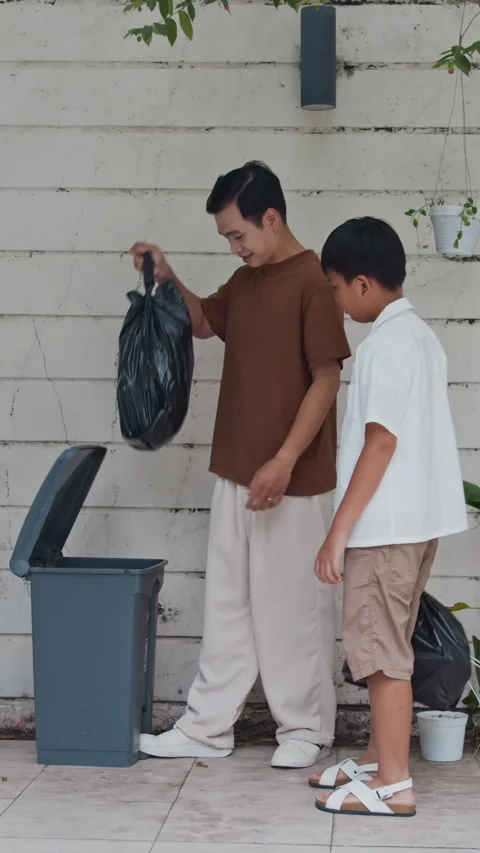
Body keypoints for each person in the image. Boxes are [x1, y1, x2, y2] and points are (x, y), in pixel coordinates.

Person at [131, 161, 351, 768]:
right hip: (236, 469)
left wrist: (284, 460)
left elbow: (327, 379)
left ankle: (305, 729)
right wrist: (168, 276)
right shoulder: (246, 281)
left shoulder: (313, 283)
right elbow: (203, 323)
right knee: (228, 605)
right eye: (228, 237)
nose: (234, 246)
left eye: (238, 234)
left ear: (271, 218)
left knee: (294, 607)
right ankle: (207, 727)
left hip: (294, 480)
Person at [310, 217, 468, 815]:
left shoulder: (382, 346)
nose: (335, 300)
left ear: (362, 283)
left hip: (384, 527)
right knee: (390, 643)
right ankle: (380, 759)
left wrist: (337, 532)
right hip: (416, 523)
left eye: (334, 288)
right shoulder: (421, 337)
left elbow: (380, 442)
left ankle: (394, 785)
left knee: (380, 654)